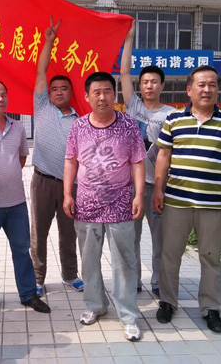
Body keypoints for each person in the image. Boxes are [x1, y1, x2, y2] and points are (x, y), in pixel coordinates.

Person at [153, 65, 221, 333]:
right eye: (201, 84)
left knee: (210, 257)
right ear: (189, 89)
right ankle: (167, 302)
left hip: (212, 204)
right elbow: (163, 156)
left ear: (217, 89)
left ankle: (210, 308)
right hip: (176, 202)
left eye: (212, 85)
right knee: (170, 255)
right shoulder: (174, 119)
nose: (207, 90)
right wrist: (158, 189)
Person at [63, 71, 146, 342]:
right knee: (89, 261)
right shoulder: (78, 126)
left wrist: (139, 194)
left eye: (107, 91)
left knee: (124, 261)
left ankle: (128, 315)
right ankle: (95, 305)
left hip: (121, 205)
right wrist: (67, 194)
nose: (102, 97)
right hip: (87, 205)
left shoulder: (128, 125)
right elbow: (71, 161)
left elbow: (137, 161)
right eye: (96, 92)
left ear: (115, 94)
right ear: (87, 97)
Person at [0, 80, 50, 314]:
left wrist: (6, 175)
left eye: (4, 95)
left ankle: (28, 294)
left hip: (16, 202)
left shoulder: (18, 127)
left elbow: (21, 158)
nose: (1, 99)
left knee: (22, 249)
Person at [120, 22, 174, 298]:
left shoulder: (172, 115)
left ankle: (158, 282)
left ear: (162, 85)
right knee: (131, 236)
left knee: (159, 239)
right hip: (131, 185)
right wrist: (129, 39)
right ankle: (134, 280)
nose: (149, 85)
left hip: (158, 186)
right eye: (145, 82)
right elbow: (124, 73)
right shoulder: (134, 106)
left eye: (154, 81)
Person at [30, 17, 83, 296]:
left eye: (64, 89)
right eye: (54, 89)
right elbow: (41, 71)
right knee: (38, 233)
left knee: (68, 232)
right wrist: (48, 42)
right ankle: (37, 279)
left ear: (71, 93)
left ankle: (70, 275)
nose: (59, 92)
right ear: (48, 93)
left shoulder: (81, 121)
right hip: (42, 181)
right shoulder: (42, 107)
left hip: (70, 185)